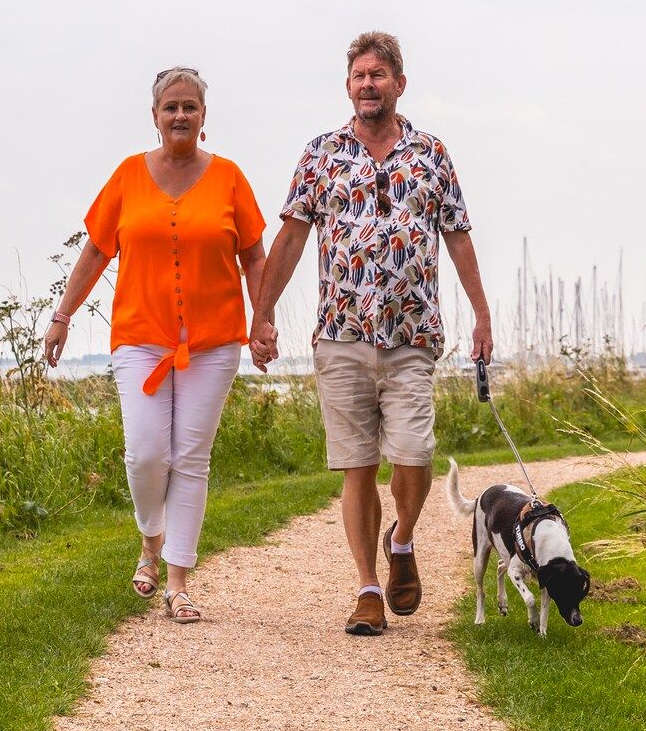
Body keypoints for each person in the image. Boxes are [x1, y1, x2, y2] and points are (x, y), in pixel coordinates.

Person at [249, 31, 493, 637]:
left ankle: (402, 539)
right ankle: (366, 589)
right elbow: (291, 238)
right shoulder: (322, 154)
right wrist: (263, 313)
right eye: (359, 76)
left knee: (415, 454)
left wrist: (482, 315)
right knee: (357, 465)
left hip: (411, 335)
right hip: (342, 335)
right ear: (348, 86)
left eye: (378, 75)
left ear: (399, 83)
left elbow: (458, 235)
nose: (368, 85)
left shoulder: (431, 154)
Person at [43, 67, 268, 623]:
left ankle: (178, 581)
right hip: (140, 337)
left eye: (190, 107)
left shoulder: (231, 179)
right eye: (171, 107)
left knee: (191, 459)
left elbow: (255, 256)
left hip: (213, 342)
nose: (180, 116)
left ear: (204, 116)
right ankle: (151, 538)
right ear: (154, 115)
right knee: (147, 454)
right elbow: (96, 252)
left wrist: (262, 322)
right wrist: (63, 316)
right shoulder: (126, 176)